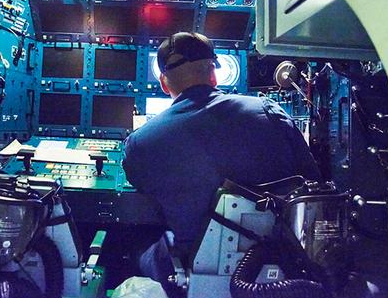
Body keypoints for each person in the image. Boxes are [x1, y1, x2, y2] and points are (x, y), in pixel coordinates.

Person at [122, 32, 320, 283]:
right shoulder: (269, 111)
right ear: (214, 75)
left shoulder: (141, 142)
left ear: (163, 83)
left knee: (134, 242)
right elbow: (311, 180)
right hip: (279, 267)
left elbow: (141, 186)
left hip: (194, 268)